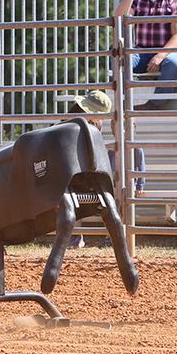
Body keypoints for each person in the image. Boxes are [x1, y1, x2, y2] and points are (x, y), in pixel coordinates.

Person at [66, 89, 146, 247]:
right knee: (75, 201)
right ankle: (78, 237)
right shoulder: (76, 118)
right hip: (77, 170)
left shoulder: (99, 127)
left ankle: (112, 238)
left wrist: (139, 184)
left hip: (88, 173)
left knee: (110, 205)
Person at [113, 0, 177, 110]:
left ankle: (156, 103)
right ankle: (122, 102)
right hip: (142, 52)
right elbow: (118, 17)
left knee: (173, 64)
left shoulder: (174, 2)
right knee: (117, 58)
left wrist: (160, 56)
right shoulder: (138, 1)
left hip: (169, 51)